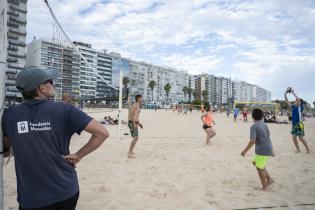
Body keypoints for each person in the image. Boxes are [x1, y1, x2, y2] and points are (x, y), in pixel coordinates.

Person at [2, 67, 109, 210]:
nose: (54, 84)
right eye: (51, 81)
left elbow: (7, 149)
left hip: (31, 196)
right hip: (65, 190)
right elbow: (102, 133)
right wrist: (79, 155)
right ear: (42, 88)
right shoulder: (65, 109)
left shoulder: (10, 115)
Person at [241, 108, 275, 191]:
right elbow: (268, 136)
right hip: (268, 147)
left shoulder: (254, 126)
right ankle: (269, 179)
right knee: (255, 162)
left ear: (252, 116)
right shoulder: (264, 124)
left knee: (260, 168)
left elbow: (253, 140)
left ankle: (264, 187)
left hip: (262, 149)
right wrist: (271, 150)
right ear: (262, 116)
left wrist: (245, 151)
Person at [284, 89, 310, 153]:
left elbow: (298, 99)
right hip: (294, 124)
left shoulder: (300, 107)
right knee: (294, 137)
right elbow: (287, 101)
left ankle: (308, 149)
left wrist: (293, 93)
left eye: (297, 101)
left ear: (300, 103)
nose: (296, 101)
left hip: (300, 124)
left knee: (301, 138)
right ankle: (298, 149)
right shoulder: (293, 107)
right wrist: (285, 94)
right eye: (296, 101)